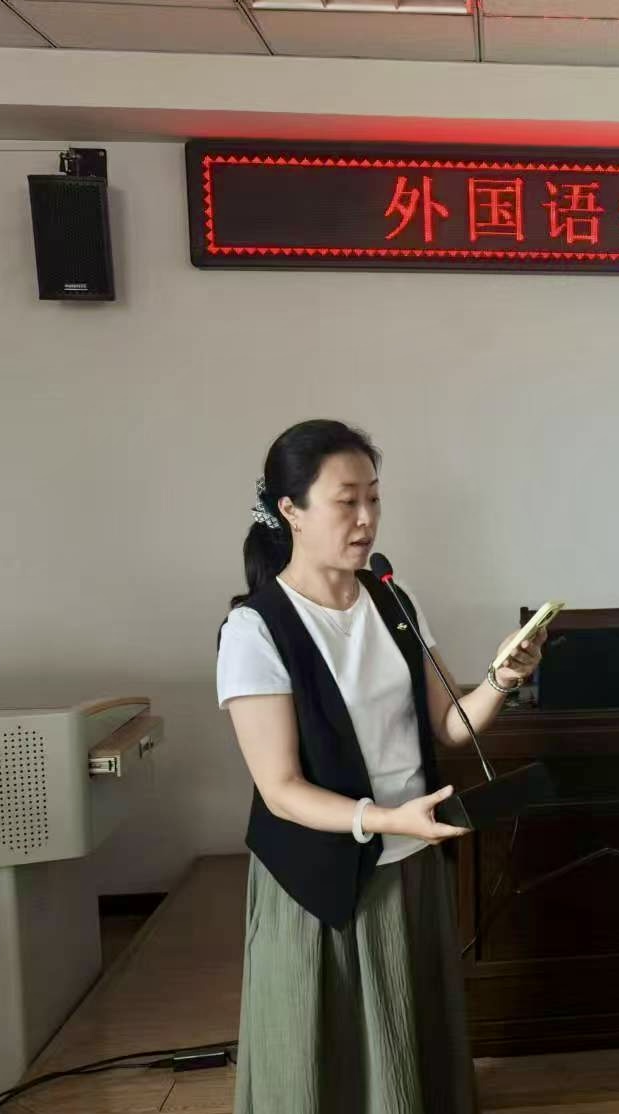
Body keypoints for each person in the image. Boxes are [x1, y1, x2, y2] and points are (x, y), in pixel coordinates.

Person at [215, 419, 542, 1114]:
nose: (366, 519)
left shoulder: (394, 599)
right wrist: (386, 819)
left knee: (409, 1045)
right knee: (323, 1063)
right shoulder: (255, 629)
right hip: (321, 879)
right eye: (346, 501)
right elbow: (280, 790)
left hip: (411, 859)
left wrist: (503, 677)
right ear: (290, 510)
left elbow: (449, 725)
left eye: (374, 498)